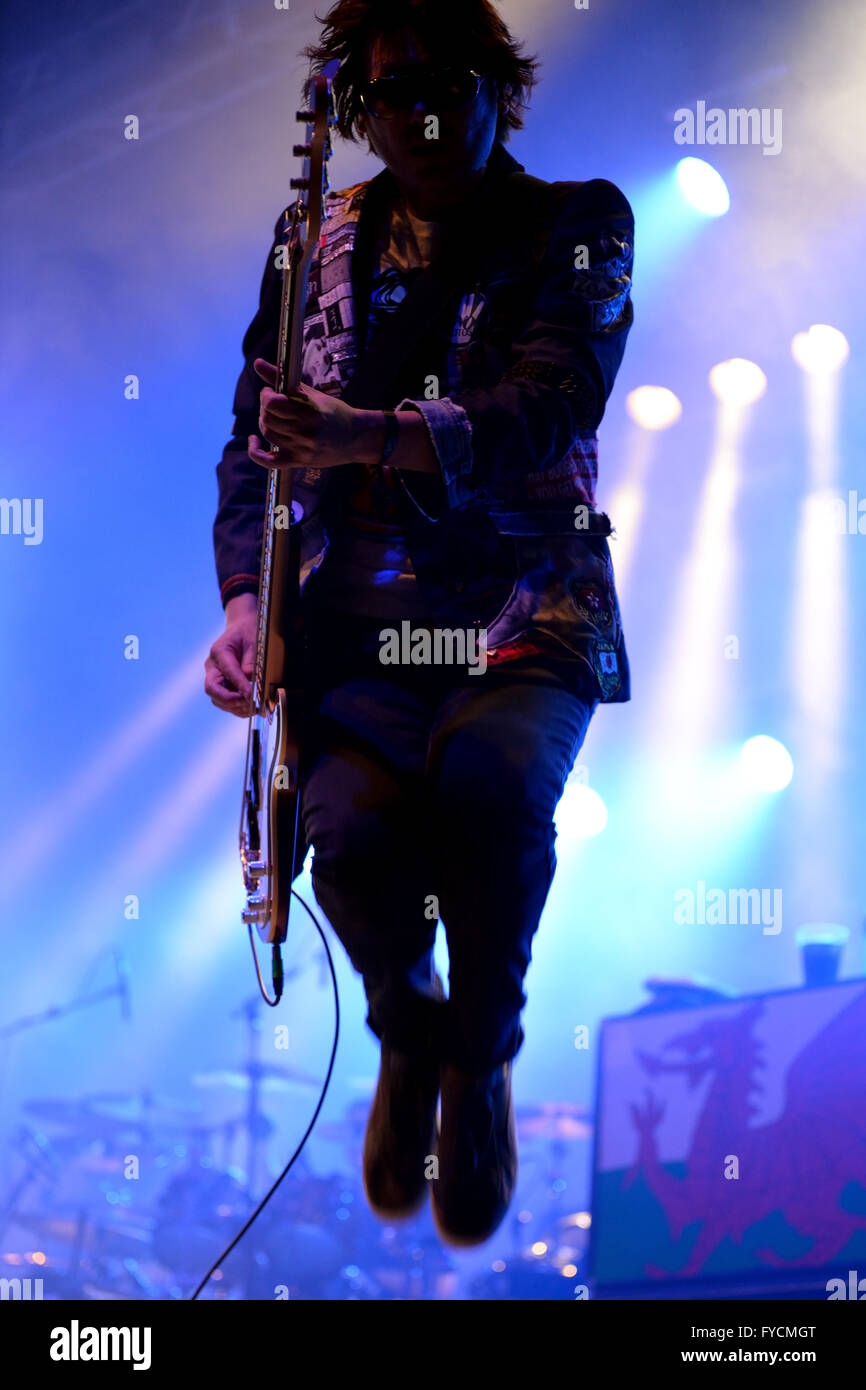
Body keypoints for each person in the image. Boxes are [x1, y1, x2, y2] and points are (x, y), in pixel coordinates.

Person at [205, 0, 634, 1247]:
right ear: (358, 108)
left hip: (520, 607)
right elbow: (250, 441)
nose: (427, 114)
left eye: (449, 84)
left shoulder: (576, 221)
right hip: (354, 621)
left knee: (492, 787)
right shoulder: (311, 241)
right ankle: (409, 1031)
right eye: (396, 93)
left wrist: (370, 437)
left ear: (500, 86)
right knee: (346, 829)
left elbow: (551, 402)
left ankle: (480, 1060)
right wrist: (245, 598)